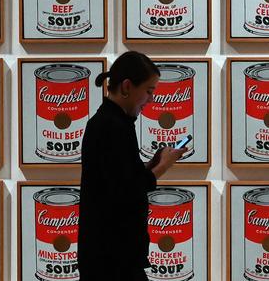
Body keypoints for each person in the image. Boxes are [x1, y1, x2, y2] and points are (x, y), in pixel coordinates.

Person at [77, 51, 187, 281]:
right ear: (127, 87)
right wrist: (163, 166)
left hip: (109, 256)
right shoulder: (111, 126)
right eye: (148, 91)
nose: (151, 99)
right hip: (112, 259)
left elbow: (119, 178)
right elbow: (127, 191)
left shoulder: (111, 122)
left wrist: (149, 166)